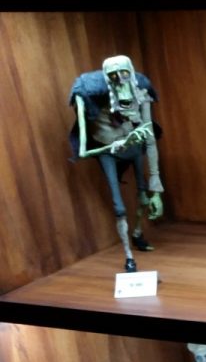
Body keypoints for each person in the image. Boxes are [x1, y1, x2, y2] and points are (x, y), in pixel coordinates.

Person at [68, 55, 165, 273]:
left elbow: (149, 138)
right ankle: (129, 257)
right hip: (108, 151)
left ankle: (137, 233)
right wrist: (112, 146)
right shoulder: (88, 95)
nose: (120, 81)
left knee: (143, 195)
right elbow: (83, 151)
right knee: (119, 206)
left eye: (124, 74)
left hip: (134, 147)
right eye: (113, 76)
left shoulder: (141, 92)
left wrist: (156, 188)